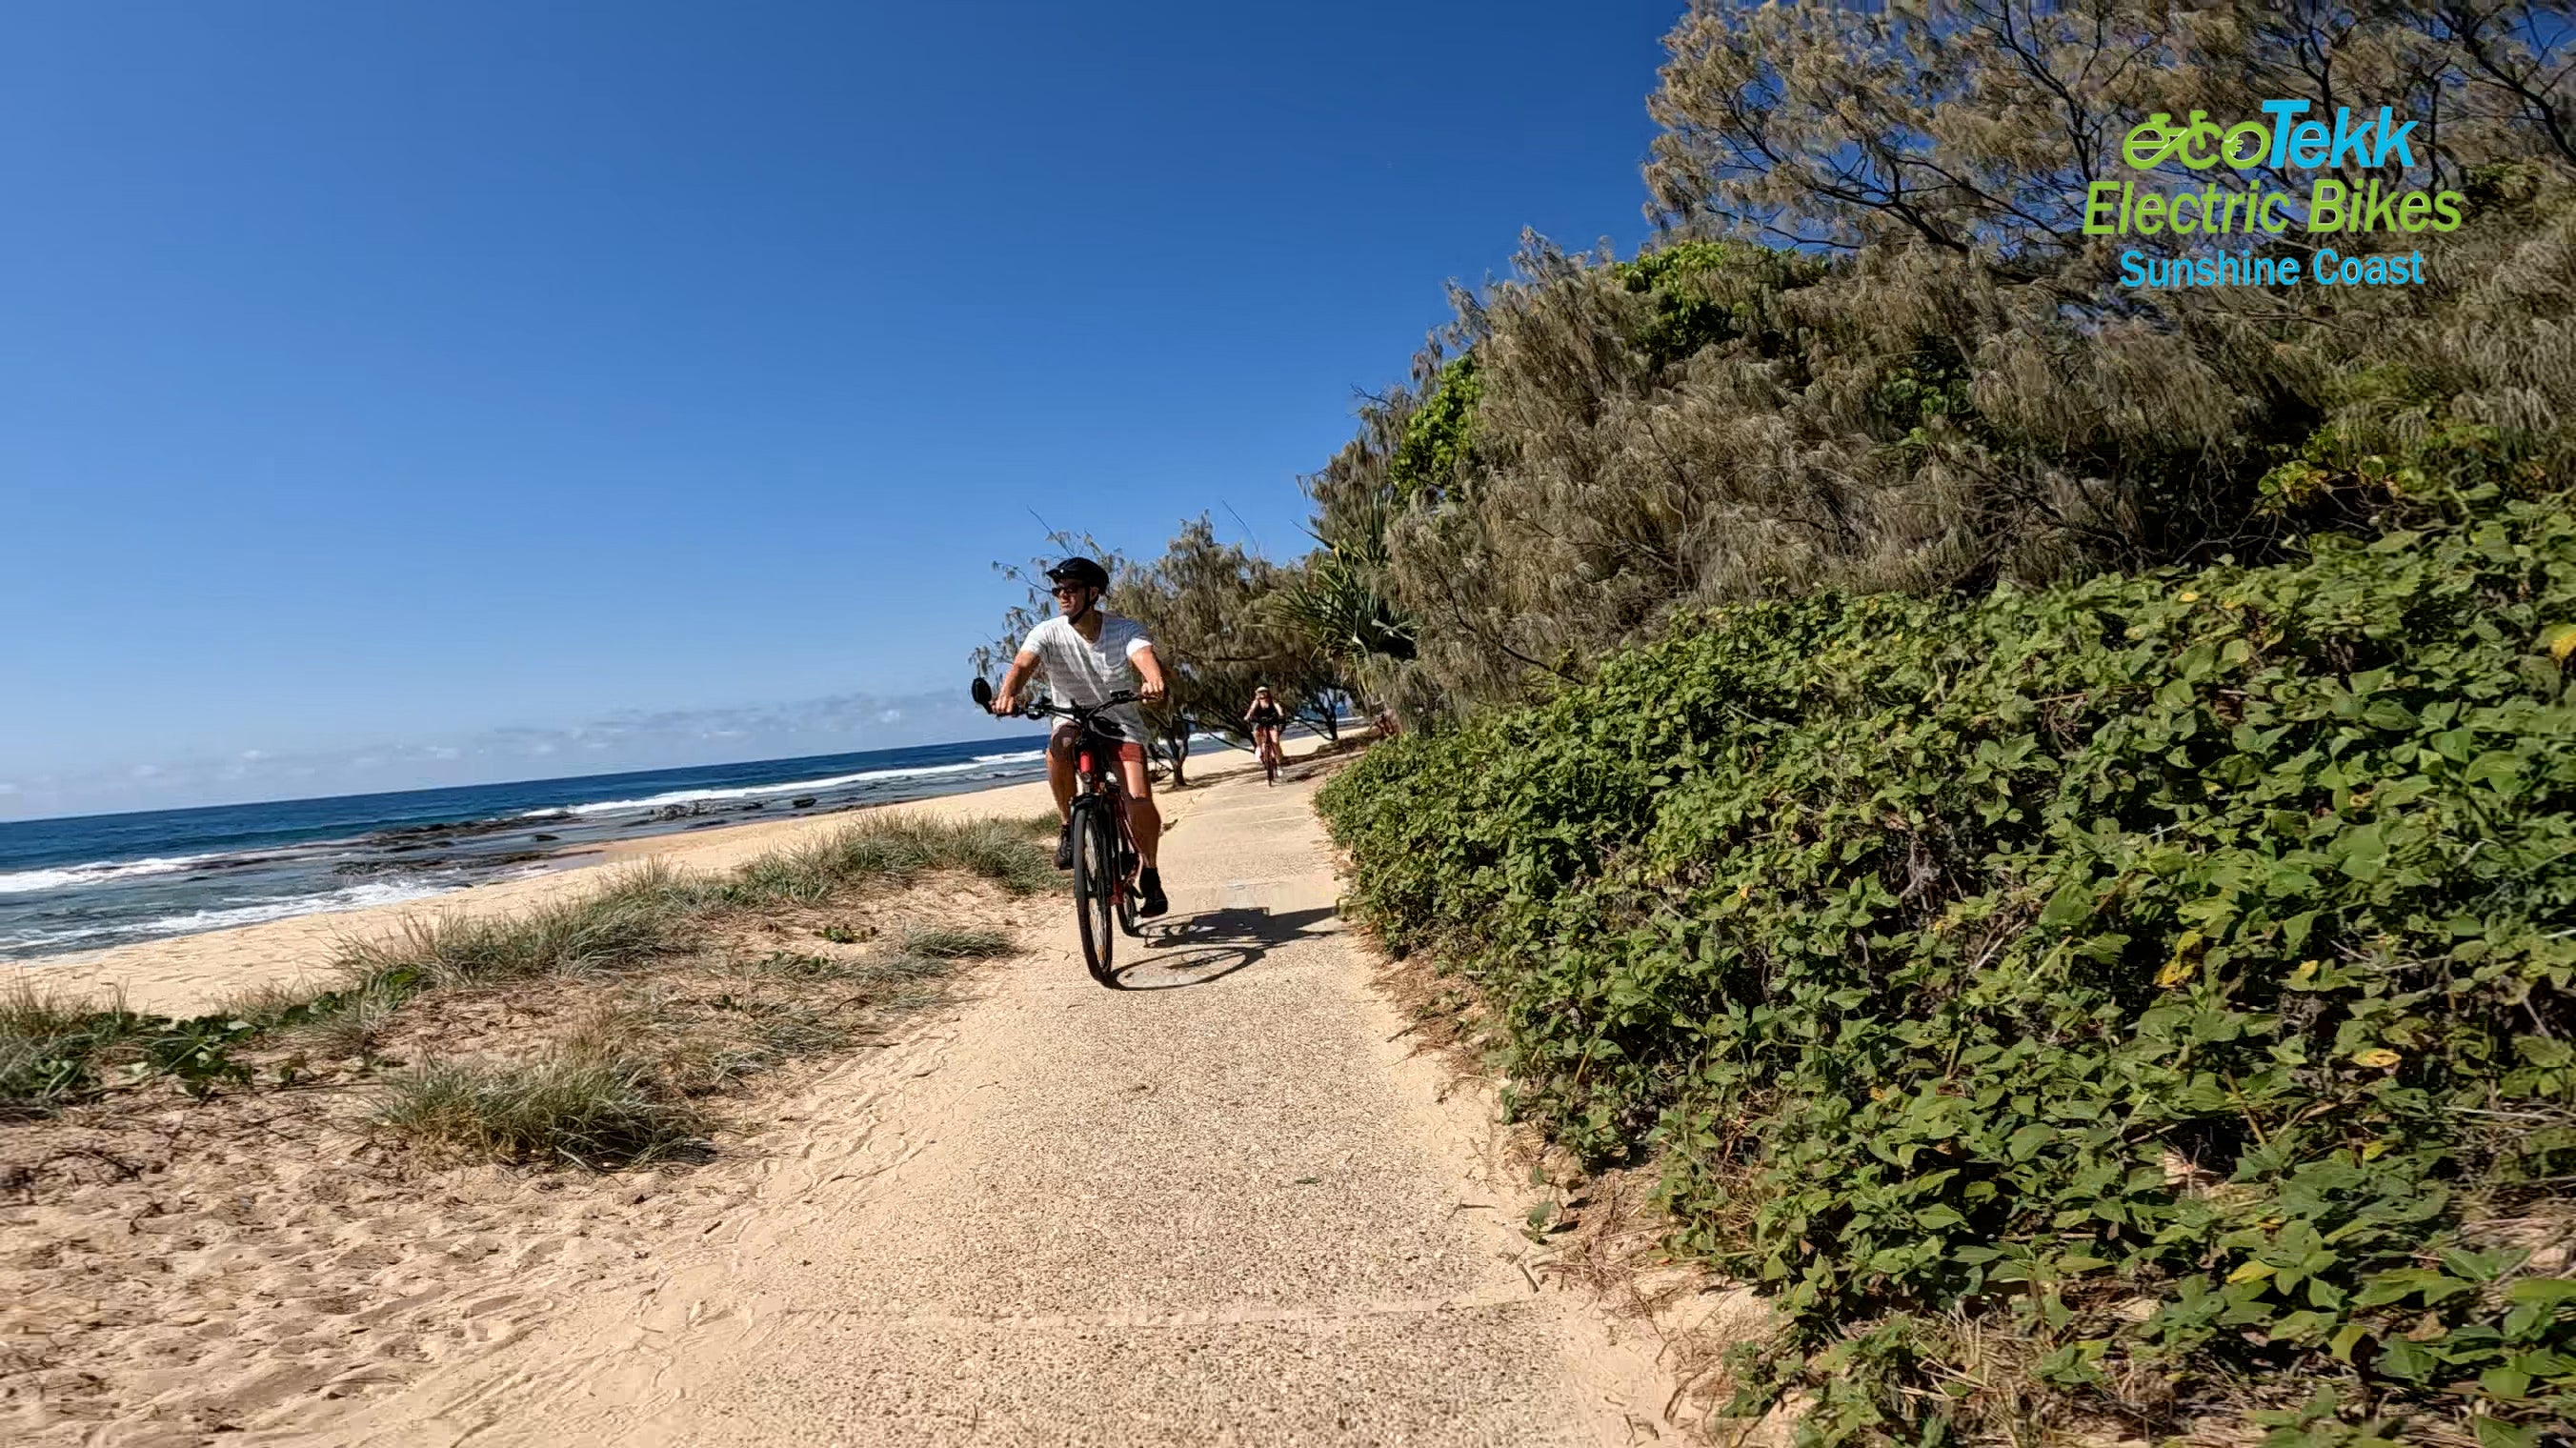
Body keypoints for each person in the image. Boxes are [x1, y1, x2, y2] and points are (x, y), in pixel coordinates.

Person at [990, 556, 1172, 916]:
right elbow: (1023, 664)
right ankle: (1067, 827)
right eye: (1057, 589)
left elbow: (1143, 655)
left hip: (1120, 722)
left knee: (1138, 798)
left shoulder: (1125, 630)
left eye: (1070, 589)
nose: (1061, 595)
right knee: (1058, 748)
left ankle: (1149, 871)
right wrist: (1008, 693)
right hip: (1071, 718)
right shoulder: (1047, 631)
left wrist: (1153, 680)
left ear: (1093, 593)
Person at [1242, 687, 1286, 775]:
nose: (1262, 693)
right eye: (1260, 692)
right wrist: (1248, 716)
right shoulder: (1256, 702)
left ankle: (1279, 765)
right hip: (1260, 722)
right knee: (1256, 733)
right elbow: (1251, 710)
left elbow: (1278, 708)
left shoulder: (1272, 701)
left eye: (1264, 691)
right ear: (1257, 693)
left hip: (1272, 722)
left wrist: (1280, 714)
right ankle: (1259, 749)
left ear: (1267, 692)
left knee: (1275, 742)